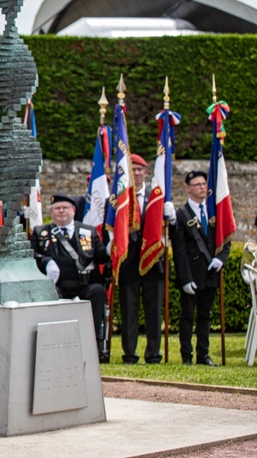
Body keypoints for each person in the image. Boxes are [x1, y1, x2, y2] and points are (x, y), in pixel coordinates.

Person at [31, 194, 111, 362]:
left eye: (65, 208)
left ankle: (95, 348)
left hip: (85, 285)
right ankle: (55, 349)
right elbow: (31, 255)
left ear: (73, 210)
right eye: (57, 209)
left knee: (97, 291)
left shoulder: (88, 231)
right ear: (51, 212)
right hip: (58, 286)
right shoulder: (41, 232)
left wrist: (113, 244)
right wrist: (46, 261)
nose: (61, 212)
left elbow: (102, 256)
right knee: (49, 295)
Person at [118, 154, 176, 364]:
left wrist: (172, 218)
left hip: (154, 261)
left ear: (146, 172)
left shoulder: (156, 197)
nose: (136, 173)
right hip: (129, 262)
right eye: (132, 170)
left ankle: (153, 354)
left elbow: (168, 231)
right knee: (129, 311)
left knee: (153, 312)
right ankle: (129, 354)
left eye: (140, 169)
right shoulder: (121, 197)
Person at [171, 170, 230, 366]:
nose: (202, 187)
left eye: (204, 184)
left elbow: (225, 238)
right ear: (188, 188)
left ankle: (203, 355)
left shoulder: (214, 211)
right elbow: (179, 251)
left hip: (210, 273)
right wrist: (185, 278)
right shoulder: (182, 215)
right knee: (187, 316)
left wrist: (221, 258)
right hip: (192, 275)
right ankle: (186, 356)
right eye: (197, 185)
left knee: (205, 316)